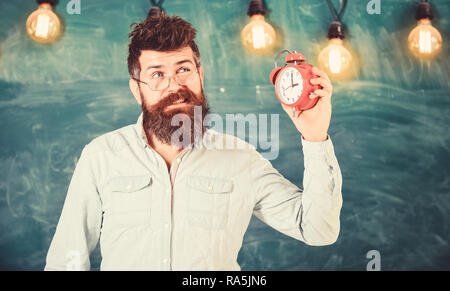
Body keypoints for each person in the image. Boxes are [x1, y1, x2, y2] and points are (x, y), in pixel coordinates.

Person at [45, 13, 343, 271]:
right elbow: (66, 262)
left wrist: (315, 136)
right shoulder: (101, 157)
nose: (175, 85)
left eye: (183, 70)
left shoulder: (241, 159)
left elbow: (318, 230)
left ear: (200, 75)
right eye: (157, 74)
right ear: (136, 89)